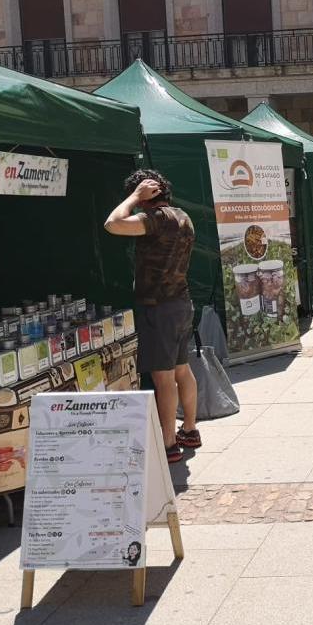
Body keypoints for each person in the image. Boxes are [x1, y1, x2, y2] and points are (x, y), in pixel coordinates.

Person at [104, 169, 200, 464]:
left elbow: (113, 224)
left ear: (148, 195)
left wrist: (133, 197)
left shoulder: (156, 219)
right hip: (182, 303)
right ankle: (190, 430)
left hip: (159, 307)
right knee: (182, 369)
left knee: (163, 378)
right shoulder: (184, 216)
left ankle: (169, 443)